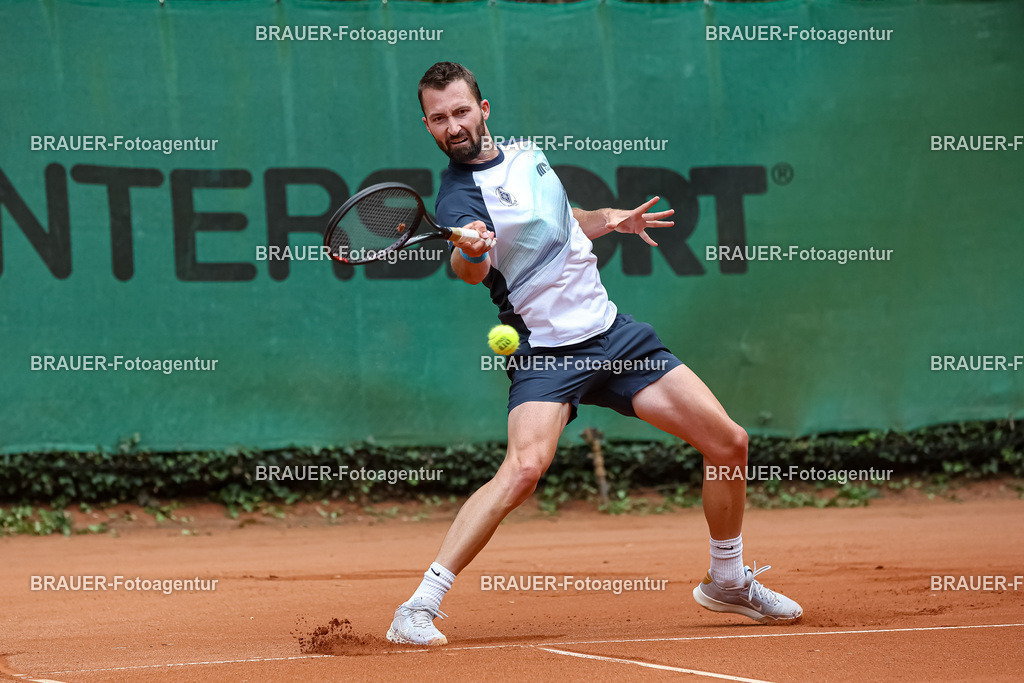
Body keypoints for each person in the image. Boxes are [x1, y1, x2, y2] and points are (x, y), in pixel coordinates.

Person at [386, 62, 801, 647]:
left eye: (460, 111)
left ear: (483, 109)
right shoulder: (458, 196)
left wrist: (611, 219)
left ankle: (728, 580)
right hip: (547, 351)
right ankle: (417, 606)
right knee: (523, 470)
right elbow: (468, 269)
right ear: (427, 126)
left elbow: (567, 221)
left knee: (729, 442)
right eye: (438, 118)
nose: (452, 126)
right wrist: (474, 249)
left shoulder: (528, 156)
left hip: (613, 335)